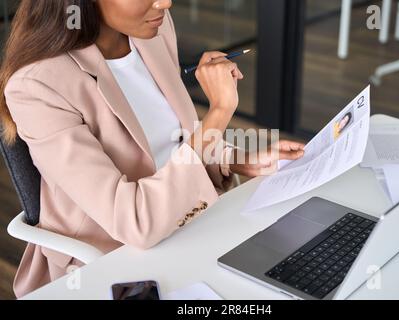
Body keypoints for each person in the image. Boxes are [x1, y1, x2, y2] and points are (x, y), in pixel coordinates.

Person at [0, 0, 305, 297]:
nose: (165, 4)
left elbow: (174, 140)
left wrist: (238, 160)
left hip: (188, 224)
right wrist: (220, 111)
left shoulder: (152, 32)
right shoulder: (37, 86)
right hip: (111, 258)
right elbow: (135, 222)